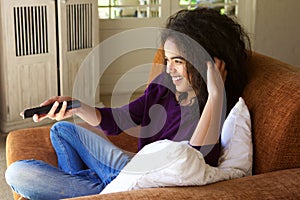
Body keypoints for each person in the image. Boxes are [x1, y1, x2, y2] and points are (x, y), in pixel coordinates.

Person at [5, 8, 251, 200]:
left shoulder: (216, 108)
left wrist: (216, 93)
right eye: (167, 59)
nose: (169, 69)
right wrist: (75, 105)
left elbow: (192, 162)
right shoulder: (164, 85)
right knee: (62, 129)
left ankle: (101, 190)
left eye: (178, 61)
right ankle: (100, 188)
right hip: (129, 165)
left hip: (144, 180)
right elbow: (119, 119)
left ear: (205, 62)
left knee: (18, 173)